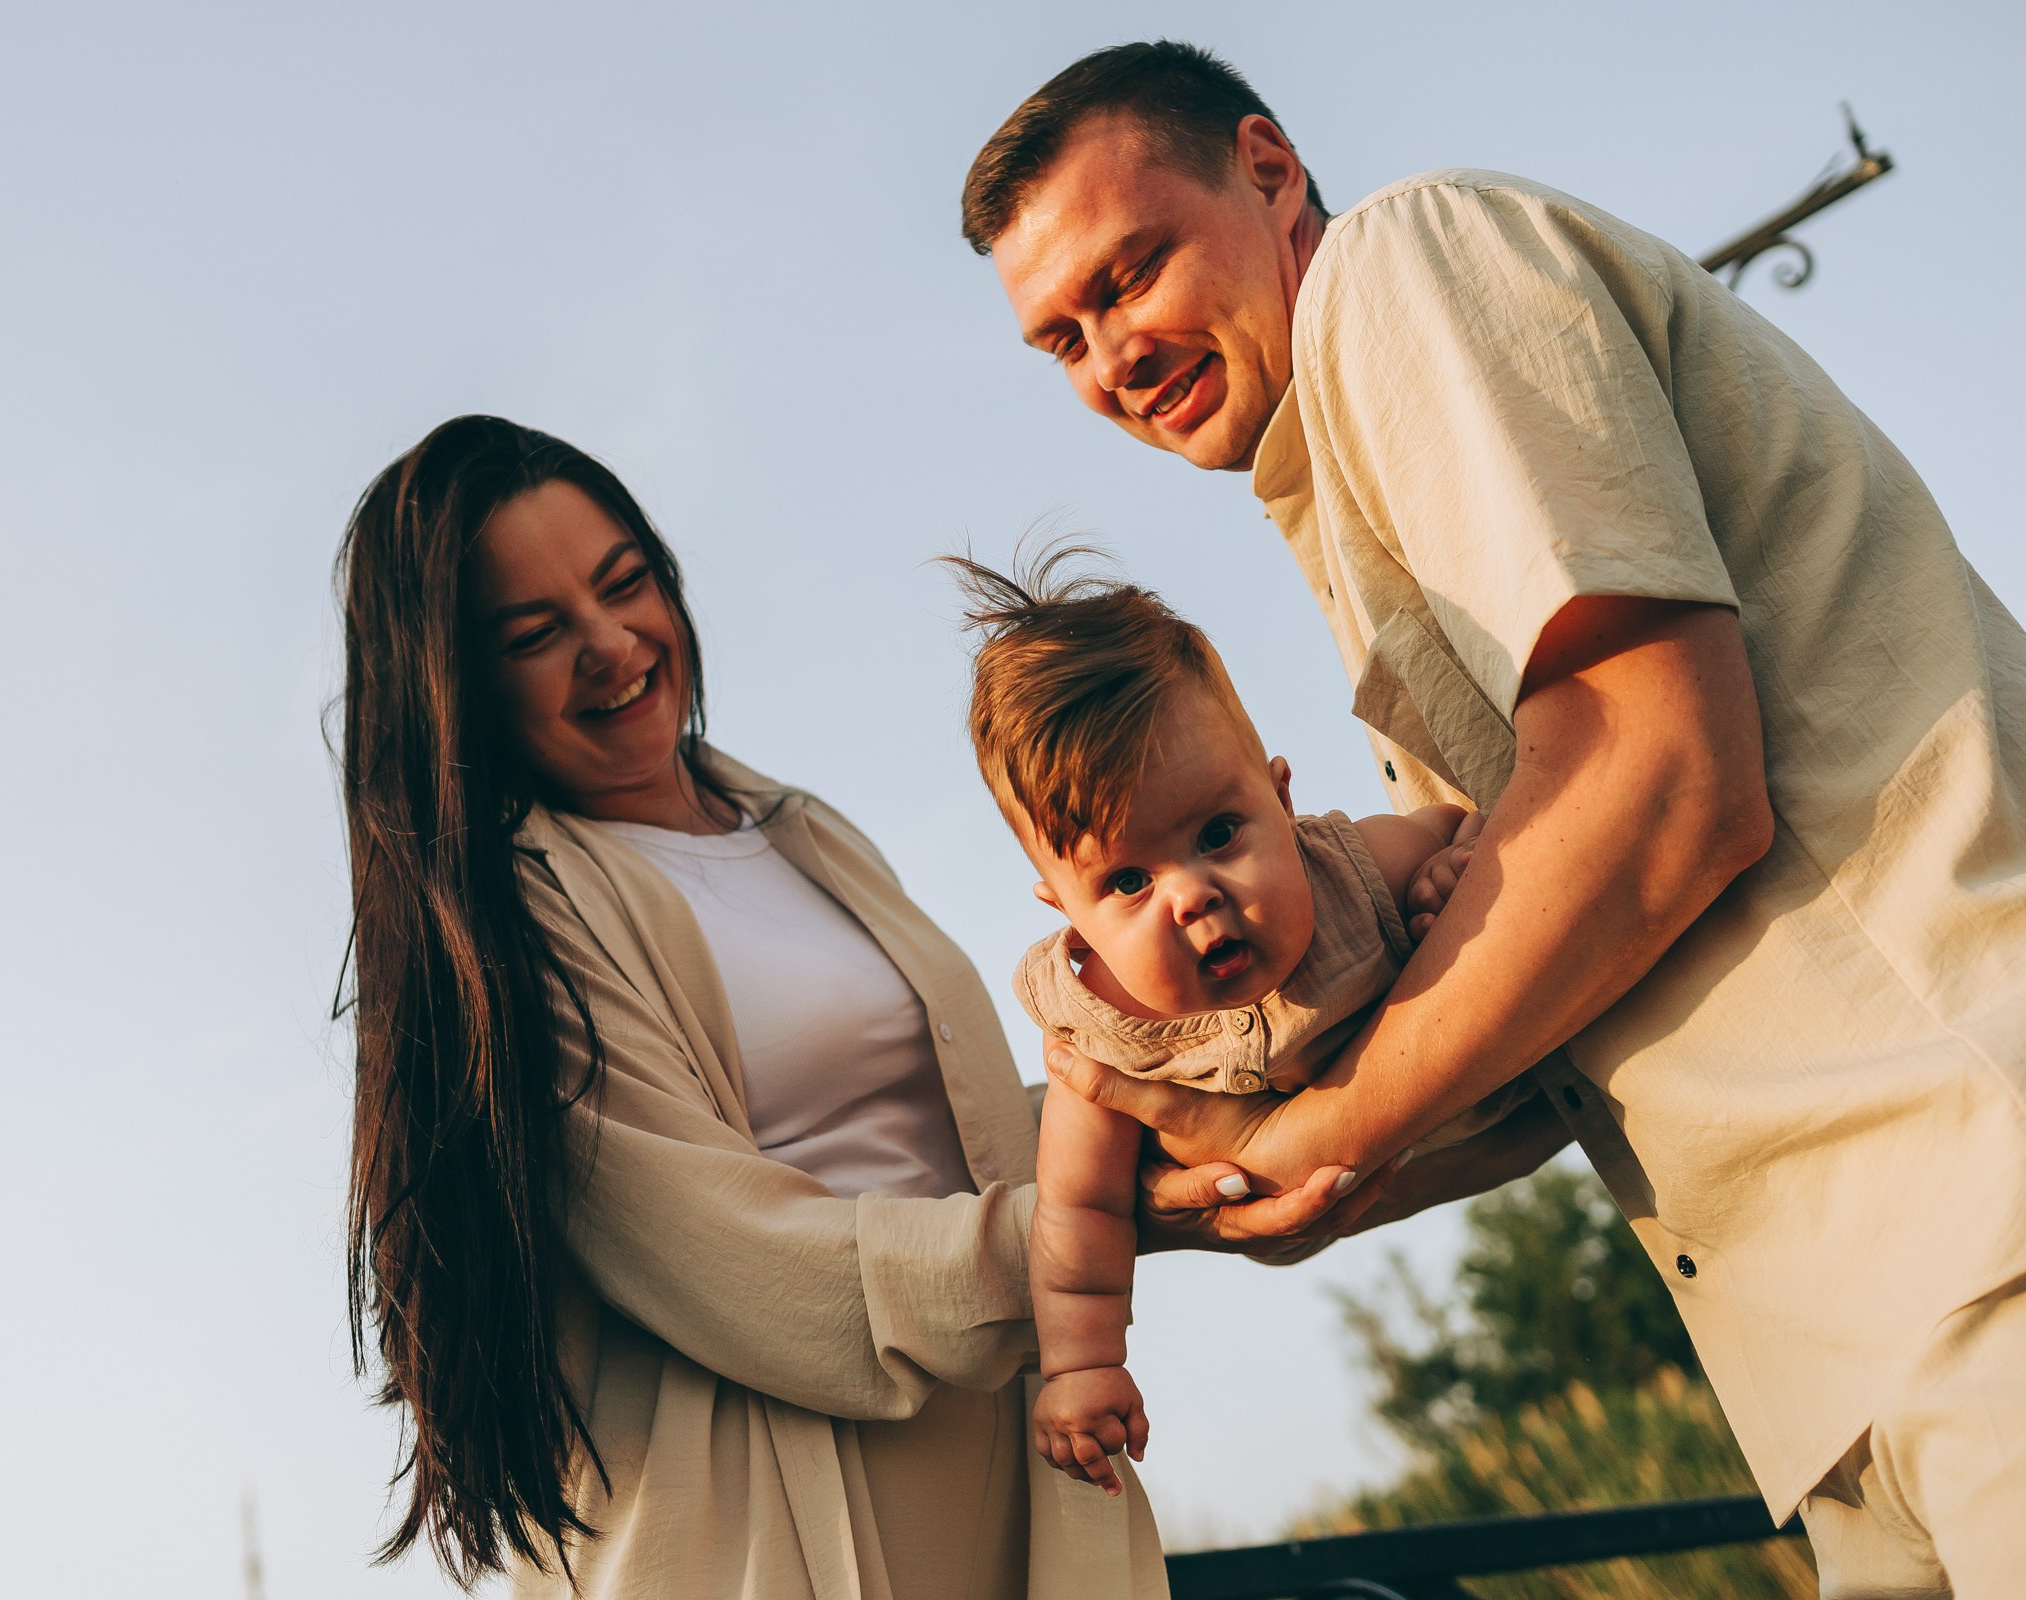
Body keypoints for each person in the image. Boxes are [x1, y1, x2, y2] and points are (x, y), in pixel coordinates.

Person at [961, 40, 2026, 1597]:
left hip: (1969, 1196)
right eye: (1063, 336)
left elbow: (1661, 785)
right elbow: (1536, 1031)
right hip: (1835, 1352)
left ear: (1267, 169)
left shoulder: (1403, 263)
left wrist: (1321, 1133)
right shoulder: (1341, 501)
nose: (1111, 352)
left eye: (1131, 275)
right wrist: (1200, 1183)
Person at [335, 415, 1282, 1598]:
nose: (611, 643)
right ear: (458, 688)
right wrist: (1094, 1224)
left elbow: (969, 1130)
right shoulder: (517, 923)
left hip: (1005, 1462)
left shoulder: (794, 825)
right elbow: (735, 1263)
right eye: (536, 634)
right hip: (755, 1531)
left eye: (625, 583)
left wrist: (1207, 1092)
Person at [947, 552, 1516, 1496]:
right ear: (1067, 914)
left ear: (1282, 801)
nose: (1193, 898)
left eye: (1218, 835)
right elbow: (1081, 1209)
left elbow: (1491, 828)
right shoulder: (1104, 1037)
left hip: (1498, 1128)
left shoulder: (1356, 872)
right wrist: (1084, 1365)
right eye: (1127, 882)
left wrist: (1455, 871)